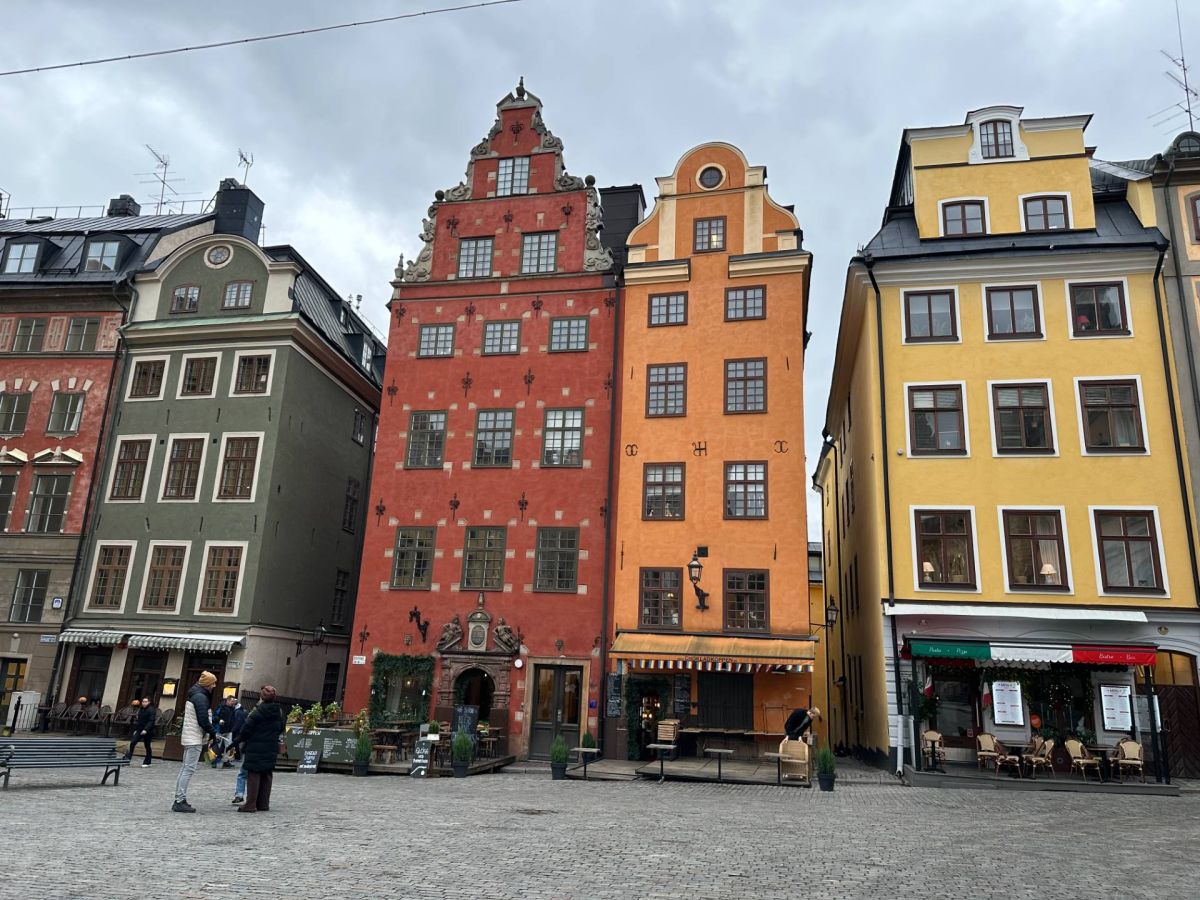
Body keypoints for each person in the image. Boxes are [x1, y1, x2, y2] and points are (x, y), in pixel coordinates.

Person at [234, 685, 285, 813]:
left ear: (261, 697)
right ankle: (263, 803)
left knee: (254, 774)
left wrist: (242, 740)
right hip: (271, 746)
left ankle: (251, 804)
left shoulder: (257, 712)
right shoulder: (278, 712)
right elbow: (281, 728)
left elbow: (245, 730)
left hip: (255, 747)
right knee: (267, 774)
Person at [172, 671, 218, 813]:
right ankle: (179, 800)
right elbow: (203, 719)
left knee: (185, 768)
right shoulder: (200, 697)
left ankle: (179, 798)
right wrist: (212, 732)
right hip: (194, 737)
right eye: (213, 683)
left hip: (190, 736)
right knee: (188, 769)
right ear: (207, 684)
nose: (214, 686)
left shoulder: (196, 694)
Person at [124, 698, 157, 767]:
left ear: (149, 702)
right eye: (143, 701)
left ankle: (147, 762)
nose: (144, 703)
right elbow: (139, 720)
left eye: (145, 702)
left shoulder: (151, 710)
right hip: (139, 729)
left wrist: (146, 730)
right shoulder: (141, 709)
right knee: (133, 742)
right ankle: (127, 759)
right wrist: (136, 729)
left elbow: (151, 721)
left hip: (148, 731)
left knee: (147, 746)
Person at [211, 696, 237, 768]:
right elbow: (214, 716)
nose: (233, 703)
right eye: (232, 701)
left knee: (228, 746)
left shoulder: (232, 708)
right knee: (217, 746)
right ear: (228, 700)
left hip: (229, 730)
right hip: (220, 730)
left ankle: (226, 761)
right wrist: (219, 720)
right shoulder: (221, 707)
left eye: (234, 701)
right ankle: (214, 761)